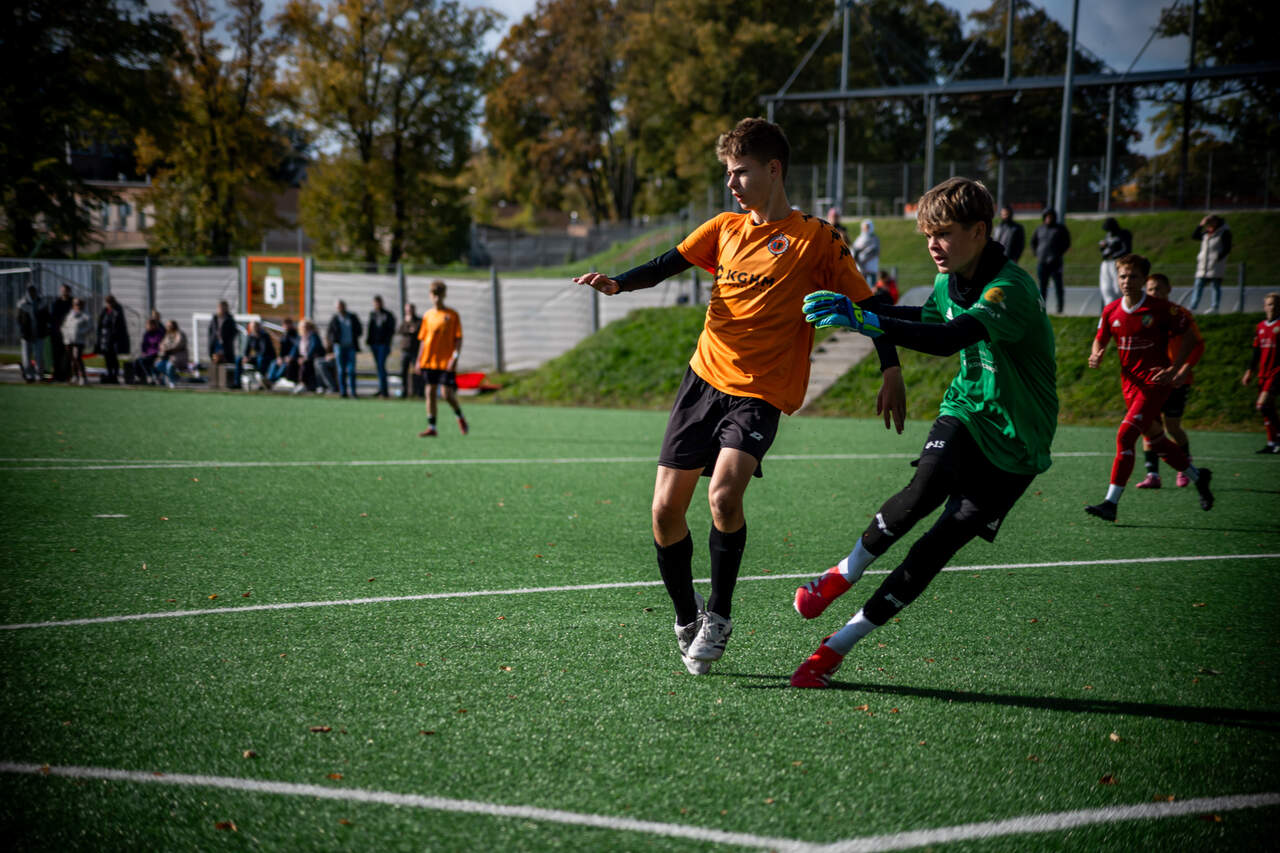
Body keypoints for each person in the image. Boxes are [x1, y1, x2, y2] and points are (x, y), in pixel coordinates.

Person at [573, 117, 906, 676]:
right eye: (728, 172)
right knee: (664, 512)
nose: (731, 183)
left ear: (774, 170)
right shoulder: (724, 228)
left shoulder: (817, 239)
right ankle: (687, 616)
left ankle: (720, 615)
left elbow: (870, 306)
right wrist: (617, 282)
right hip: (703, 379)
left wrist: (890, 367)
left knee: (724, 496)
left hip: (760, 392)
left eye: (741, 172)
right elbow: (666, 264)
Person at [788, 176, 1056, 689]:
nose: (934, 244)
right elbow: (926, 316)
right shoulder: (946, 281)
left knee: (937, 547)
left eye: (945, 233)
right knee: (925, 487)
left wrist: (865, 320)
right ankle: (841, 574)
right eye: (929, 234)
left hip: (1018, 443)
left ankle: (836, 648)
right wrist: (863, 312)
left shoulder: (1011, 289)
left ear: (980, 231)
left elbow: (948, 337)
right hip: (967, 409)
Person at [1084, 253, 1214, 522]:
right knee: (1156, 440)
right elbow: (1100, 339)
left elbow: (1190, 338)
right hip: (1129, 386)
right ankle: (1198, 477)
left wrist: (1175, 369)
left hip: (1155, 384)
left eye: (1133, 276)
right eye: (1122, 276)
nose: (1126, 281)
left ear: (1144, 279)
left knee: (1125, 437)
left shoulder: (1162, 308)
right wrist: (1096, 354)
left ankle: (1110, 503)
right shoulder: (1111, 310)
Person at [1135, 273, 1204, 489]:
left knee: (1172, 426)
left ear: (1168, 289)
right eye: (1150, 289)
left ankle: (1185, 467)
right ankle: (1152, 474)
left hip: (1176, 380)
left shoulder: (1179, 313)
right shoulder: (1144, 315)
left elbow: (1197, 344)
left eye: (1158, 289)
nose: (1154, 293)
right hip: (1152, 381)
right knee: (1149, 425)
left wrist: (1184, 369)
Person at [416, 280, 468, 436]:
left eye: (439, 294)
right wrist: (419, 360)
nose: (436, 298)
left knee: (446, 394)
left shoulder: (452, 315)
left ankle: (460, 416)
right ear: (430, 295)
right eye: (434, 294)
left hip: (445, 362)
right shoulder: (427, 315)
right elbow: (423, 340)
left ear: (444, 295)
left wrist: (455, 357)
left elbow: (458, 339)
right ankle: (432, 427)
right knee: (430, 392)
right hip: (429, 361)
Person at [1242, 292, 1280, 454]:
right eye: (1269, 304)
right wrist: (1249, 371)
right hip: (1263, 373)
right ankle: (1272, 443)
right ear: (1264, 307)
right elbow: (1256, 352)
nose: (1272, 308)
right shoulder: (1260, 327)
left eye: (1275, 305)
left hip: (1276, 372)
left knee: (1262, 405)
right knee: (1267, 409)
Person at [1189, 214, 1232, 314]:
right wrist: (1201, 225)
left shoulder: (1223, 233)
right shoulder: (1206, 233)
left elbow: (1227, 248)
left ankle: (1215, 307)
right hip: (1203, 266)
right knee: (1198, 286)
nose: (1210, 224)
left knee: (1215, 287)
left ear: (1217, 222)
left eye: (1212, 221)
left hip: (1215, 265)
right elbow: (1194, 236)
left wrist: (1217, 258)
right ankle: (1192, 307)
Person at [1030, 208, 1070, 314]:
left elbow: (1067, 243)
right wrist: (1037, 253)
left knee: (1058, 286)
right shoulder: (1040, 229)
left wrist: (1058, 254)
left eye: (1051, 217)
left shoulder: (1060, 229)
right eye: (1047, 217)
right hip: (1042, 262)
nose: (1049, 219)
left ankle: (1060, 308)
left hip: (1055, 263)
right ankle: (1041, 308)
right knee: (1042, 287)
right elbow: (1033, 242)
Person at [326, 299, 362, 398]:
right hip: (339, 347)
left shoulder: (352, 317)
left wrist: (354, 336)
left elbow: (359, 330)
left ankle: (353, 392)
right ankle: (343, 392)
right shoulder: (335, 318)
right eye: (338, 307)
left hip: (351, 347)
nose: (340, 308)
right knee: (341, 370)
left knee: (351, 370)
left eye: (341, 306)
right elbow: (330, 333)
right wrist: (334, 342)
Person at [17, 284, 49, 383]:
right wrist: (22, 331)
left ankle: (39, 375)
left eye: (33, 290)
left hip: (39, 334)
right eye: (30, 291)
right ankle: (29, 375)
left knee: (39, 356)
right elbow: (19, 320)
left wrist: (45, 329)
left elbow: (47, 318)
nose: (32, 293)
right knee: (26, 357)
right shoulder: (22, 304)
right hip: (26, 335)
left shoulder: (42, 303)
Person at [1097, 216, 1132, 306]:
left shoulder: (1123, 234)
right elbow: (1106, 249)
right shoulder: (1108, 235)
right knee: (1106, 288)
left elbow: (1126, 249)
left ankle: (1122, 305)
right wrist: (1103, 247)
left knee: (1118, 287)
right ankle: (1109, 306)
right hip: (1106, 263)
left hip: (1117, 262)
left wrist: (1114, 255)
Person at [366, 295, 397, 398]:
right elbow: (370, 328)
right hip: (374, 344)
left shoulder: (387, 315)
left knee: (381, 366)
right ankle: (381, 388)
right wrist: (369, 341)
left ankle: (384, 391)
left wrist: (387, 341)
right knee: (379, 367)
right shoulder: (373, 314)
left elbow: (391, 329)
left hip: (383, 345)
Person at [95, 294, 129, 384]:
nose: (109, 304)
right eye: (107, 302)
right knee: (107, 358)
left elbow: (120, 326)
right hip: (105, 339)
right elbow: (100, 325)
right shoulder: (104, 311)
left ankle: (115, 376)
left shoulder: (117, 311)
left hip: (114, 339)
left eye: (110, 302)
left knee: (113, 358)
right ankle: (109, 374)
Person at [235, 320, 277, 389]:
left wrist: (251, 358)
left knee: (260, 359)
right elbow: (247, 350)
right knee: (239, 359)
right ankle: (237, 383)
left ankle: (261, 381)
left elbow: (264, 351)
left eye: (255, 327)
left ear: (259, 327)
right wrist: (245, 357)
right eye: (252, 327)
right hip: (257, 357)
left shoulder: (264, 336)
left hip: (267, 357)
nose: (254, 328)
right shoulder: (251, 336)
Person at [297, 319, 335, 394]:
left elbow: (313, 347)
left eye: (306, 327)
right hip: (307, 357)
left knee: (311, 363)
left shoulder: (313, 335)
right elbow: (296, 348)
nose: (305, 328)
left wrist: (306, 357)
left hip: (315, 357)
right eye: (303, 327)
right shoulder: (301, 337)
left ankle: (304, 384)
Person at [61, 297, 92, 386]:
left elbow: (90, 327)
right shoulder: (70, 315)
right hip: (69, 340)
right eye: (75, 304)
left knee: (77, 357)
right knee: (71, 358)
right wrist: (65, 334)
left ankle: (83, 377)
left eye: (78, 304)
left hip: (79, 340)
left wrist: (80, 333)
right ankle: (75, 376)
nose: (76, 306)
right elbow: (64, 326)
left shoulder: (85, 315)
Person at [209, 300, 238, 387]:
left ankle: (226, 383)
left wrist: (226, 339)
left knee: (226, 363)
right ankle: (214, 383)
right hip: (216, 344)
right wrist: (212, 341)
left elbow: (234, 332)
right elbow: (211, 332)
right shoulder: (214, 319)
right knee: (215, 361)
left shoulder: (230, 319)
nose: (221, 309)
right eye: (220, 307)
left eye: (223, 307)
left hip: (225, 346)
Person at [397, 302, 423, 398]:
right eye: (407, 309)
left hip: (415, 350)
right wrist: (409, 329)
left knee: (418, 372)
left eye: (410, 309)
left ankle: (419, 392)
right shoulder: (405, 320)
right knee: (403, 371)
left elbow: (418, 330)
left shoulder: (418, 320)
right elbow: (400, 330)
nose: (409, 311)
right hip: (405, 350)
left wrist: (411, 329)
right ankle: (404, 391)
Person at [154, 319, 189, 388]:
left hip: (178, 356)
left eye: (169, 326)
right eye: (167, 326)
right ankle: (174, 377)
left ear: (174, 326)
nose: (168, 327)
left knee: (169, 365)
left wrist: (167, 348)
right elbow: (162, 344)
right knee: (158, 365)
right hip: (167, 356)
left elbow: (177, 345)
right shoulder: (167, 335)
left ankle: (172, 382)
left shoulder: (180, 334)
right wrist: (163, 347)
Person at [267, 317, 300, 386]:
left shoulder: (295, 335)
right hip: (284, 357)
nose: (286, 327)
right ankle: (269, 379)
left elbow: (296, 347)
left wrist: (291, 356)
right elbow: (282, 349)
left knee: (284, 365)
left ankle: (274, 380)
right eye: (285, 325)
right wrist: (279, 357)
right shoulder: (284, 335)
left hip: (292, 358)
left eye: (288, 324)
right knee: (274, 363)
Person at [50, 284, 73, 382]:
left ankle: (66, 376)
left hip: (68, 334)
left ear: (69, 291)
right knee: (56, 355)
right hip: (57, 333)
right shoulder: (56, 302)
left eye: (66, 290)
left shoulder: (72, 302)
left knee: (67, 355)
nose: (64, 292)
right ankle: (57, 375)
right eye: (63, 290)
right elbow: (53, 317)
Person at [136, 315, 165, 384]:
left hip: (156, 353)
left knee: (143, 361)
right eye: (147, 325)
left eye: (149, 325)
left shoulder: (159, 333)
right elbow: (144, 345)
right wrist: (144, 352)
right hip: (148, 353)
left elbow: (159, 345)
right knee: (137, 361)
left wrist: (151, 353)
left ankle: (149, 376)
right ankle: (138, 377)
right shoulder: (147, 334)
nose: (147, 326)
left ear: (154, 325)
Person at [851, 219, 880, 283]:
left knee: (871, 287)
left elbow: (874, 251)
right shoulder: (859, 239)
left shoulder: (874, 239)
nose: (865, 229)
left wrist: (863, 259)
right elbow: (854, 251)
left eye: (867, 227)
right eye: (864, 228)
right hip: (860, 270)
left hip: (871, 269)